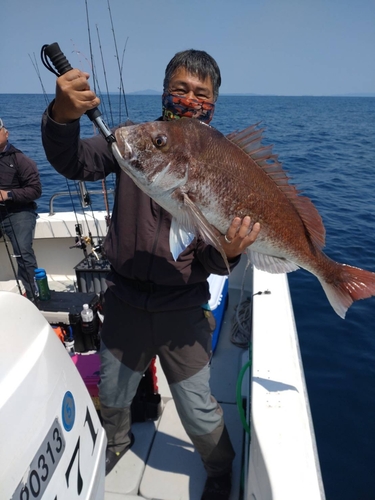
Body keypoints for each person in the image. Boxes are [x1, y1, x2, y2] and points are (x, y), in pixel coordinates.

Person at [41, 49, 260, 500]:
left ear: (214, 103)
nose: (189, 99)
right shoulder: (135, 140)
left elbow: (209, 262)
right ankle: (116, 444)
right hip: (123, 302)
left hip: (181, 308)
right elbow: (74, 163)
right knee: (115, 394)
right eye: (180, 88)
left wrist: (230, 253)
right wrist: (62, 118)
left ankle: (219, 469)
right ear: (164, 91)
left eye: (202, 94)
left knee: (199, 410)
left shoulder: (221, 165)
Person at [0, 118, 42, 300]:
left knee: (22, 250)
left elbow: (35, 190)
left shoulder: (20, 159)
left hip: (19, 211)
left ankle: (35, 296)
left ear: (5, 133)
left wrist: (8, 194)